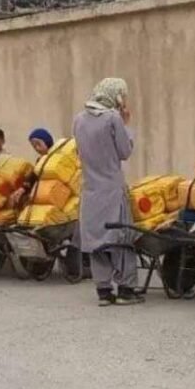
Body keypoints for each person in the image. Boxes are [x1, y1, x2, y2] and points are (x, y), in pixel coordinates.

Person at [73, 77, 141, 306]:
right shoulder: (113, 118)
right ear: (117, 96)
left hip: (90, 190)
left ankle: (103, 291)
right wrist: (127, 123)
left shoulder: (79, 119)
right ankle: (126, 290)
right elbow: (125, 151)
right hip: (112, 190)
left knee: (97, 241)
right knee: (121, 239)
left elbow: (79, 152)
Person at [8, 128, 54, 208]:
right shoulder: (39, 160)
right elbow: (33, 176)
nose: (37, 148)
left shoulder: (56, 158)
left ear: (47, 141)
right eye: (34, 146)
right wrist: (22, 188)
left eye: (38, 144)